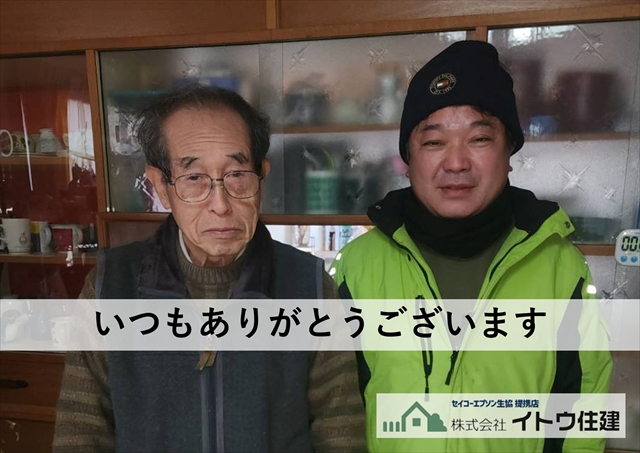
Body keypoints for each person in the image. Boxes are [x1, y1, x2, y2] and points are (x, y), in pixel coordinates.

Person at [331, 40, 612, 452]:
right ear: (408, 159)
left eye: (479, 139)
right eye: (434, 142)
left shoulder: (560, 267)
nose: (456, 163)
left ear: (509, 151)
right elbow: (333, 412)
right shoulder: (357, 266)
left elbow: (583, 407)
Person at [53, 85, 366, 452]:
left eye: (237, 174)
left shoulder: (309, 287)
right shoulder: (111, 287)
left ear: (261, 176)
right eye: (194, 178)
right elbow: (80, 434)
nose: (220, 204)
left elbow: (340, 431)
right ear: (161, 186)